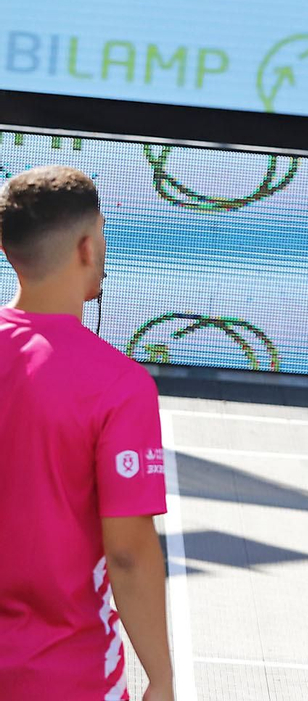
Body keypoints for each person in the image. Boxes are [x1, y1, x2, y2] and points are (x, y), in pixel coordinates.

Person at [0, 167, 173, 701]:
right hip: (65, 676)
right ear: (88, 244)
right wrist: (162, 680)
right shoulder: (120, 386)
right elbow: (128, 553)